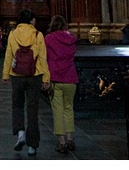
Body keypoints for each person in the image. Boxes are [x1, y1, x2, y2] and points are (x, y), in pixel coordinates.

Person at [2, 9, 50, 156]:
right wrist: (46, 77)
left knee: (17, 105)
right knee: (33, 108)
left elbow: (9, 55)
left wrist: (5, 74)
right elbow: (42, 58)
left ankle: (20, 132)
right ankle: (32, 145)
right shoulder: (38, 34)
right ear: (31, 20)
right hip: (34, 75)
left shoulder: (13, 34)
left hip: (16, 74)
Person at [45, 14, 79, 154]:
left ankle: (62, 142)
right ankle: (70, 138)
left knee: (57, 110)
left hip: (55, 77)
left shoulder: (49, 39)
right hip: (71, 77)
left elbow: (45, 58)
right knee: (69, 108)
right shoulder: (71, 39)